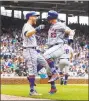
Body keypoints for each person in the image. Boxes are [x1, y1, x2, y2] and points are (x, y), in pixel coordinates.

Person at [43, 10, 74, 94]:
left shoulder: (60, 24)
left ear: (51, 17)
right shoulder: (52, 26)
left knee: (46, 55)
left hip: (58, 46)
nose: (47, 18)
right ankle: (53, 88)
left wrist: (70, 38)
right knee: (48, 70)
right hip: (52, 47)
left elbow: (70, 31)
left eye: (48, 16)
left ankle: (55, 73)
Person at [22, 11, 45, 96]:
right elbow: (27, 34)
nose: (36, 18)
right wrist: (37, 29)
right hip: (29, 50)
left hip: (34, 50)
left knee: (45, 62)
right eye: (35, 16)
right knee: (32, 70)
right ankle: (32, 91)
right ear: (30, 17)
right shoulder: (27, 26)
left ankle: (30, 77)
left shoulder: (30, 26)